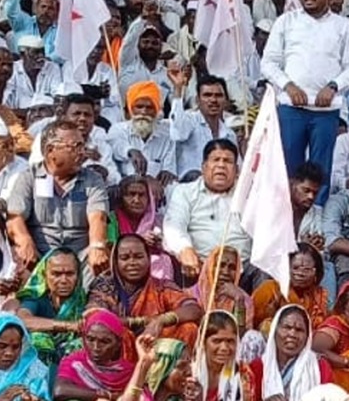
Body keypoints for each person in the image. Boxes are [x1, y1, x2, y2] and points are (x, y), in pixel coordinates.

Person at [260, 0, 349, 205]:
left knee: (321, 170)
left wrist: (334, 86)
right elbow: (268, 63)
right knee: (288, 167)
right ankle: (285, 221)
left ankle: (315, 223)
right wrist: (288, 86)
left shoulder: (343, 26)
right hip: (290, 108)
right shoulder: (286, 22)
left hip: (326, 112)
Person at [6, 119, 110, 275]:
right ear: (50, 151)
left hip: (81, 257)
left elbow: (98, 217)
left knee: (101, 263)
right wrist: (24, 241)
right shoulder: (29, 178)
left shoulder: (92, 179)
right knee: (19, 260)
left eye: (83, 146)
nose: (82, 152)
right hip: (40, 255)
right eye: (75, 147)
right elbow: (14, 217)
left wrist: (97, 245)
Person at [86, 234, 201, 353]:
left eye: (138, 256)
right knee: (119, 333)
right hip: (115, 353)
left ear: (148, 259)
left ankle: (178, 370)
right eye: (125, 258)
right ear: (115, 261)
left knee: (188, 329)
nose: (132, 262)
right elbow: (96, 318)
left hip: (154, 350)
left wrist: (160, 321)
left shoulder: (161, 287)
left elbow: (193, 308)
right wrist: (139, 323)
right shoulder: (105, 286)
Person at [163, 139, 256, 288]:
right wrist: (184, 249)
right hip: (199, 268)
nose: (221, 165)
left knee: (265, 270)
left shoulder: (248, 194)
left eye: (227, 161)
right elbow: (174, 225)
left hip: (242, 270)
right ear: (204, 167)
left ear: (237, 170)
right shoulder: (185, 192)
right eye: (215, 160)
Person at [13, 248, 86, 368]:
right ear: (44, 275)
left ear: (78, 275)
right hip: (38, 365)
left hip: (70, 363)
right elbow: (22, 320)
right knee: (38, 340)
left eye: (70, 274)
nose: (63, 280)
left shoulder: (82, 300)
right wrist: (69, 326)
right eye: (56, 274)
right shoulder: (37, 297)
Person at [251, 305, 332, 401]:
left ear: (308, 336)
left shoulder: (320, 367)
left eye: (299, 330)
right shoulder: (258, 367)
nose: (292, 334)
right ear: (274, 331)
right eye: (287, 327)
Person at [56, 309, 136, 401]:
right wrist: (110, 396)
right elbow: (60, 390)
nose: (96, 347)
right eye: (90, 339)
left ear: (118, 344)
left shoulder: (128, 372)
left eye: (105, 342)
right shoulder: (74, 363)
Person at [251, 243, 328, 334]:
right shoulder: (270, 288)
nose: (300, 273)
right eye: (295, 268)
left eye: (306, 269)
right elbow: (251, 322)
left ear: (316, 274)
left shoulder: (320, 295)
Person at [108, 176, 173, 280]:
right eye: (131, 194)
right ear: (121, 198)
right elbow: (110, 250)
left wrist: (160, 244)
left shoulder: (159, 221)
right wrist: (139, 241)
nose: (136, 200)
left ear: (149, 198)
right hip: (122, 270)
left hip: (155, 273)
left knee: (163, 260)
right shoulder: (112, 219)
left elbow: (173, 248)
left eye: (142, 195)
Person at [190, 246, 256, 331]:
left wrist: (239, 302)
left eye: (232, 268)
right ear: (209, 266)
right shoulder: (191, 294)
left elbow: (241, 338)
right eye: (221, 265)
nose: (226, 272)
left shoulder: (244, 300)